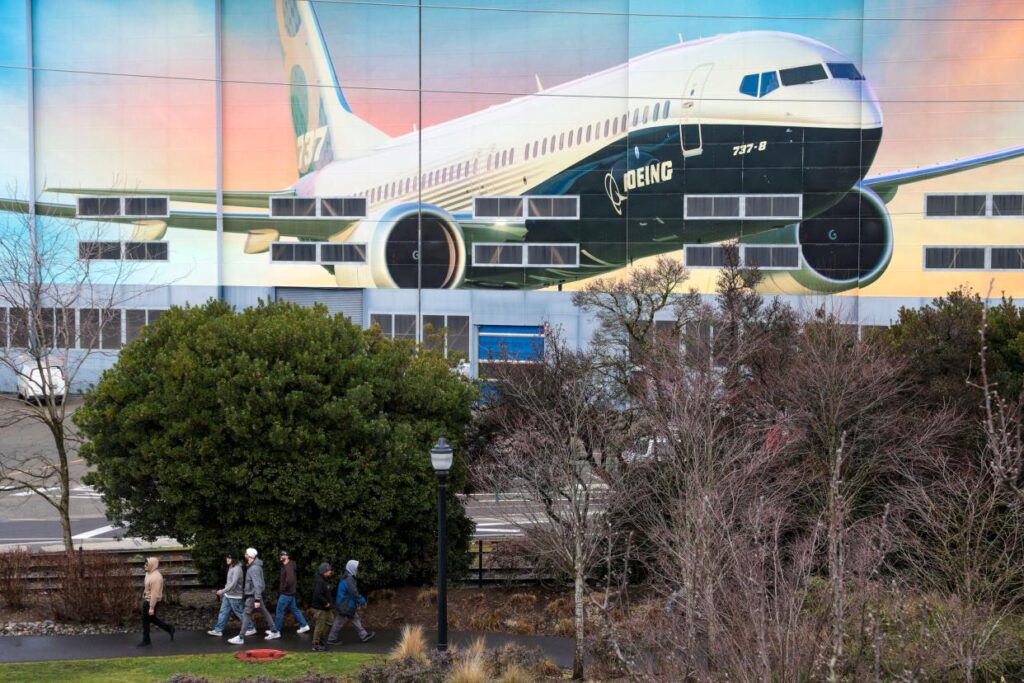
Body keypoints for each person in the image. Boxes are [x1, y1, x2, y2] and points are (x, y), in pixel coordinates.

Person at [228, 547, 276, 645]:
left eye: (246, 553)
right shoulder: (253, 566)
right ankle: (274, 631)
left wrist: (257, 599)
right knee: (265, 612)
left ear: (249, 556)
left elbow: (257, 585)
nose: (244, 554)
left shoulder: (254, 568)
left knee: (246, 614)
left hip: (253, 596)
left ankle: (240, 637)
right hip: (254, 595)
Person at [326, 559, 375, 645]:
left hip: (346, 604)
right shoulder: (349, 579)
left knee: (354, 619)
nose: (357, 569)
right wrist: (363, 601)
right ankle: (331, 639)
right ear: (351, 568)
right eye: (356, 567)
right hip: (345, 605)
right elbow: (354, 593)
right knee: (339, 622)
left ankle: (364, 636)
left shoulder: (348, 577)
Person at [267, 549, 310, 639]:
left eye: (283, 555)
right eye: (280, 555)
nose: (281, 556)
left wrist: (283, 589)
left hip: (286, 594)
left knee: (279, 611)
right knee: (294, 609)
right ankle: (304, 625)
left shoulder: (288, 567)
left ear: (287, 556)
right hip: (291, 593)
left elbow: (290, 580)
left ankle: (276, 631)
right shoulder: (289, 565)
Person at [138, 556, 175, 646]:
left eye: (146, 565)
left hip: (151, 601)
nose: (144, 566)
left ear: (152, 565)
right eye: (145, 564)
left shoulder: (156, 578)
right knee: (151, 619)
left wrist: (151, 607)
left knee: (145, 620)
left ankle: (146, 640)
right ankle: (169, 628)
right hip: (148, 599)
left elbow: (154, 594)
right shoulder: (149, 573)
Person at [208, 552, 246, 637]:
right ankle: (218, 630)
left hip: (235, 596)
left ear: (234, 559)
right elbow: (229, 583)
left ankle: (250, 628)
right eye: (227, 558)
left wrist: (222, 591)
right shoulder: (231, 567)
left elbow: (233, 584)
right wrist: (225, 592)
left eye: (230, 558)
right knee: (223, 612)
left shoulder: (237, 569)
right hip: (228, 595)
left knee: (240, 613)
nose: (227, 559)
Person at [310, 562, 334, 652]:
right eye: (329, 570)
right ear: (324, 571)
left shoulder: (324, 580)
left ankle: (322, 641)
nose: (330, 572)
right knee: (319, 626)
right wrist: (326, 603)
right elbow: (317, 595)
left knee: (330, 621)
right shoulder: (320, 581)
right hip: (320, 608)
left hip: (326, 608)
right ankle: (315, 645)